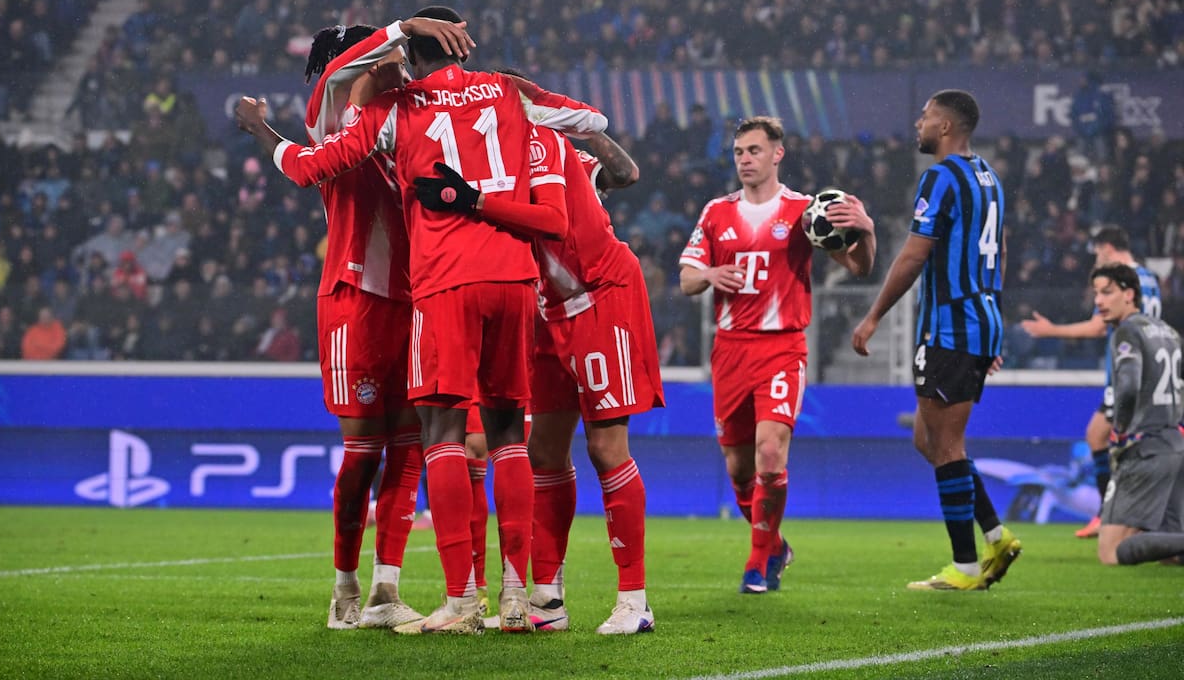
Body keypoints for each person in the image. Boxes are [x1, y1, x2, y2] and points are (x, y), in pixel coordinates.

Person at [236, 6, 608, 635]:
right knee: (427, 445)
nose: (385, 65)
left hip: (432, 290)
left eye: (393, 56)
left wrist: (404, 38)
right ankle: (385, 589)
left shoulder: (400, 110)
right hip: (420, 287)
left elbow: (313, 161)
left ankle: (430, 596)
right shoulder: (460, 99)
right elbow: (589, 121)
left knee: (429, 441)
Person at [277, 14, 473, 631]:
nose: (399, 66)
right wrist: (399, 27)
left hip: (413, 300)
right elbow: (340, 73)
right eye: (389, 60)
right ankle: (344, 590)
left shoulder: (401, 118)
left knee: (408, 449)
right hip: (355, 295)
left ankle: (388, 590)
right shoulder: (332, 114)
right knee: (362, 454)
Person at [434, 105, 661, 633]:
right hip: (543, 312)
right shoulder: (486, 163)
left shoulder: (542, 146)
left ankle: (634, 600)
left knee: (606, 448)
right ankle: (547, 601)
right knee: (543, 453)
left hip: (600, 296)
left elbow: (623, 175)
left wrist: (579, 122)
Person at [679, 115, 876, 593]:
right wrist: (708, 276)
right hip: (729, 351)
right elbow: (685, 280)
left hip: (783, 347)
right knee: (739, 468)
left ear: (776, 154)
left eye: (754, 151)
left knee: (771, 453)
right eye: (739, 152)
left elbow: (858, 267)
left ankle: (756, 563)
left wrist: (867, 230)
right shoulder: (715, 212)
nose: (746, 160)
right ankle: (775, 545)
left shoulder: (806, 212)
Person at [851, 89, 1020, 591]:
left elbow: (913, 255)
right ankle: (995, 533)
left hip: (950, 325)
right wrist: (991, 317)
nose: (919, 125)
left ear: (946, 127)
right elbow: (1001, 250)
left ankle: (966, 566)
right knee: (928, 438)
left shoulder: (942, 177)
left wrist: (874, 315)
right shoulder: (989, 177)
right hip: (980, 318)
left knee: (944, 443)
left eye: (925, 118)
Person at [1019, 224, 1163, 537]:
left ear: (1107, 248)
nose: (1096, 260)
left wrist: (1052, 330)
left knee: (1109, 440)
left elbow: (1099, 327)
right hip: (1152, 371)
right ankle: (1121, 515)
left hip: (1128, 373)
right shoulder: (1150, 277)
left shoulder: (1122, 278)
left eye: (1097, 253)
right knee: (1108, 438)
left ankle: (1117, 516)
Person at [1088, 263, 1184, 566]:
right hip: (1174, 446)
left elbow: (1127, 387)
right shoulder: (1169, 331)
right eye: (1095, 294)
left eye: (1107, 292)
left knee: (1111, 552)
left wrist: (1119, 430)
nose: (1098, 301)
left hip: (1146, 448)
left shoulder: (1127, 331)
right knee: (1170, 556)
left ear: (1129, 294)